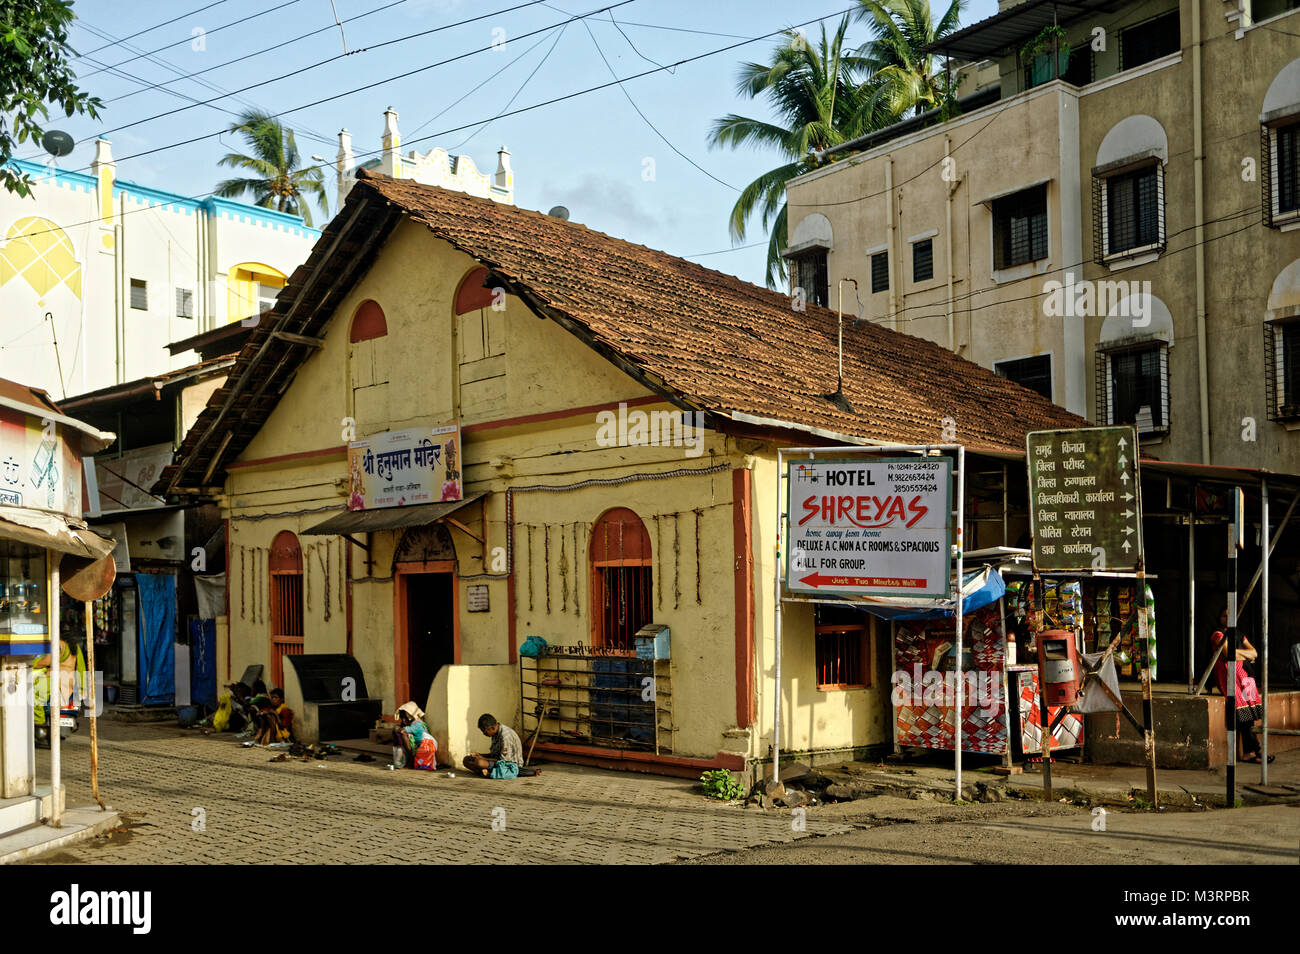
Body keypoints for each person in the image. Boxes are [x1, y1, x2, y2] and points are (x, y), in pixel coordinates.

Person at [1210, 619, 1272, 764]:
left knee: (1248, 713)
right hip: (1230, 676)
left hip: (1245, 676)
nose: (1228, 617)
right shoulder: (1218, 634)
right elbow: (1227, 654)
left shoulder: (1239, 634)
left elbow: (1254, 653)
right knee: (1242, 712)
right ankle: (1257, 750)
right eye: (1225, 615)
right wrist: (1245, 654)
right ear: (1220, 618)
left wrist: (1236, 652)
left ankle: (1249, 752)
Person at [463, 713, 523, 779]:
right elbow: (494, 755)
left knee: (479, 762)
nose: (484, 734)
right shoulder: (495, 733)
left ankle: (487, 773)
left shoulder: (505, 737)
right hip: (498, 762)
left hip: (510, 766)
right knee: (466, 759)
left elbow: (503, 761)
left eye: (485, 732)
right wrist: (480, 755)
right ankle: (485, 773)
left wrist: (482, 758)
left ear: (493, 728)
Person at [394, 701, 438, 770]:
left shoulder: (417, 725)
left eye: (405, 718)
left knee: (404, 735)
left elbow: (403, 731)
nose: (403, 720)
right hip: (423, 746)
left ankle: (411, 759)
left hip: (423, 748)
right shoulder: (418, 723)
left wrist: (397, 728)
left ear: (411, 716)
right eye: (402, 718)